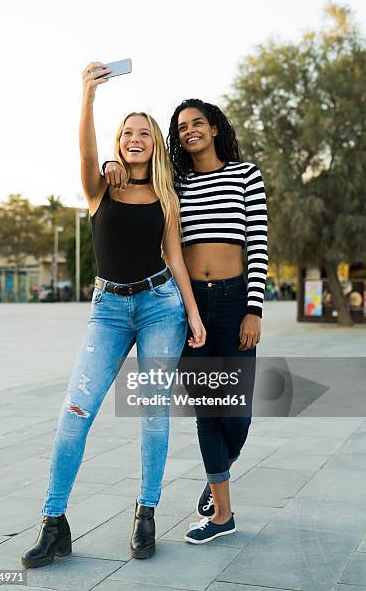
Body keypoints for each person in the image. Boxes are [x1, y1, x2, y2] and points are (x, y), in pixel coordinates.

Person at [21, 64, 206, 568]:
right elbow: (84, 151)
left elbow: (176, 258)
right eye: (128, 132)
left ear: (156, 145)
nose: (135, 138)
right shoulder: (100, 186)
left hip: (159, 307)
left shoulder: (167, 197)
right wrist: (87, 95)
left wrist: (192, 313)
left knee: (152, 414)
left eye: (145, 132)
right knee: (73, 414)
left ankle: (146, 513)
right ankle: (53, 523)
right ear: (119, 143)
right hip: (107, 310)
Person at [104, 97, 268, 544]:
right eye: (181, 127)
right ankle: (222, 513)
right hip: (188, 302)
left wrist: (254, 308)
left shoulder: (246, 175)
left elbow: (259, 246)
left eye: (198, 123)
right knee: (207, 410)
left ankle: (218, 474)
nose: (188, 131)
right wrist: (108, 163)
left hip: (236, 302)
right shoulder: (172, 182)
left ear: (214, 129)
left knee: (237, 412)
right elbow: (135, 173)